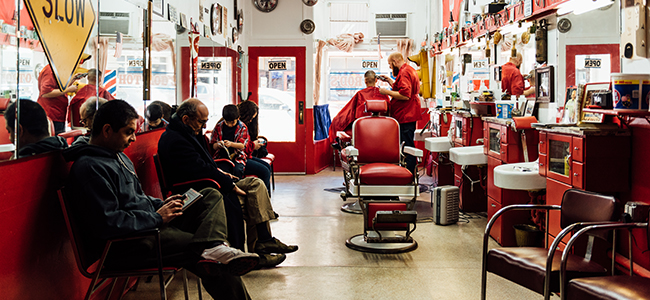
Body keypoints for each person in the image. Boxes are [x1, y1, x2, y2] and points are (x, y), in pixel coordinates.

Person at [63, 100, 258, 299]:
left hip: (149, 227)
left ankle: (214, 246)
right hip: (128, 244)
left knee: (209, 194)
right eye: (128, 132)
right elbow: (110, 223)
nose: (133, 139)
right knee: (210, 256)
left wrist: (161, 205)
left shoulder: (118, 157)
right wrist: (157, 218)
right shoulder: (90, 168)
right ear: (107, 130)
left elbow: (137, 199)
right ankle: (213, 248)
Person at [158, 99, 297, 268]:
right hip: (199, 192)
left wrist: (220, 172)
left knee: (256, 184)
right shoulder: (176, 140)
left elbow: (205, 166)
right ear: (186, 119)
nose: (203, 127)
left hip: (210, 180)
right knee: (251, 199)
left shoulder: (189, 133)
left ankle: (264, 241)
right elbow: (199, 171)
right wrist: (229, 184)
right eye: (201, 122)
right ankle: (251, 254)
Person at [210, 105, 272, 194]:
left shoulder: (242, 127)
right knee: (239, 170)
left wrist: (231, 144)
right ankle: (237, 195)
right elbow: (213, 145)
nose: (230, 125)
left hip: (238, 157)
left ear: (238, 118)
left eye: (232, 122)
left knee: (265, 169)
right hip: (222, 158)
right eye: (227, 122)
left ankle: (264, 197)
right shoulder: (219, 126)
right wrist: (219, 144)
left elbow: (242, 145)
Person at [378, 52, 421, 174]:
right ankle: (406, 173)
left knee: (407, 146)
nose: (390, 68)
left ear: (395, 61)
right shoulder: (408, 70)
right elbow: (403, 88)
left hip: (406, 114)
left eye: (390, 65)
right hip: (407, 113)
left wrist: (386, 92)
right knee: (405, 144)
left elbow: (405, 95)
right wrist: (391, 82)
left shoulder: (404, 72)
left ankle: (408, 174)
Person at [328, 70, 390, 143]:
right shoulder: (384, 94)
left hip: (363, 132)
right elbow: (390, 113)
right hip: (383, 131)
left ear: (365, 81)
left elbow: (348, 113)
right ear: (376, 80)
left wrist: (335, 122)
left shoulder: (360, 94)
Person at [37, 53, 91, 135]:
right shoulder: (50, 71)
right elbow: (45, 93)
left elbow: (58, 87)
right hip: (51, 115)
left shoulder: (57, 70)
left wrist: (72, 80)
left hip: (58, 114)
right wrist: (68, 90)